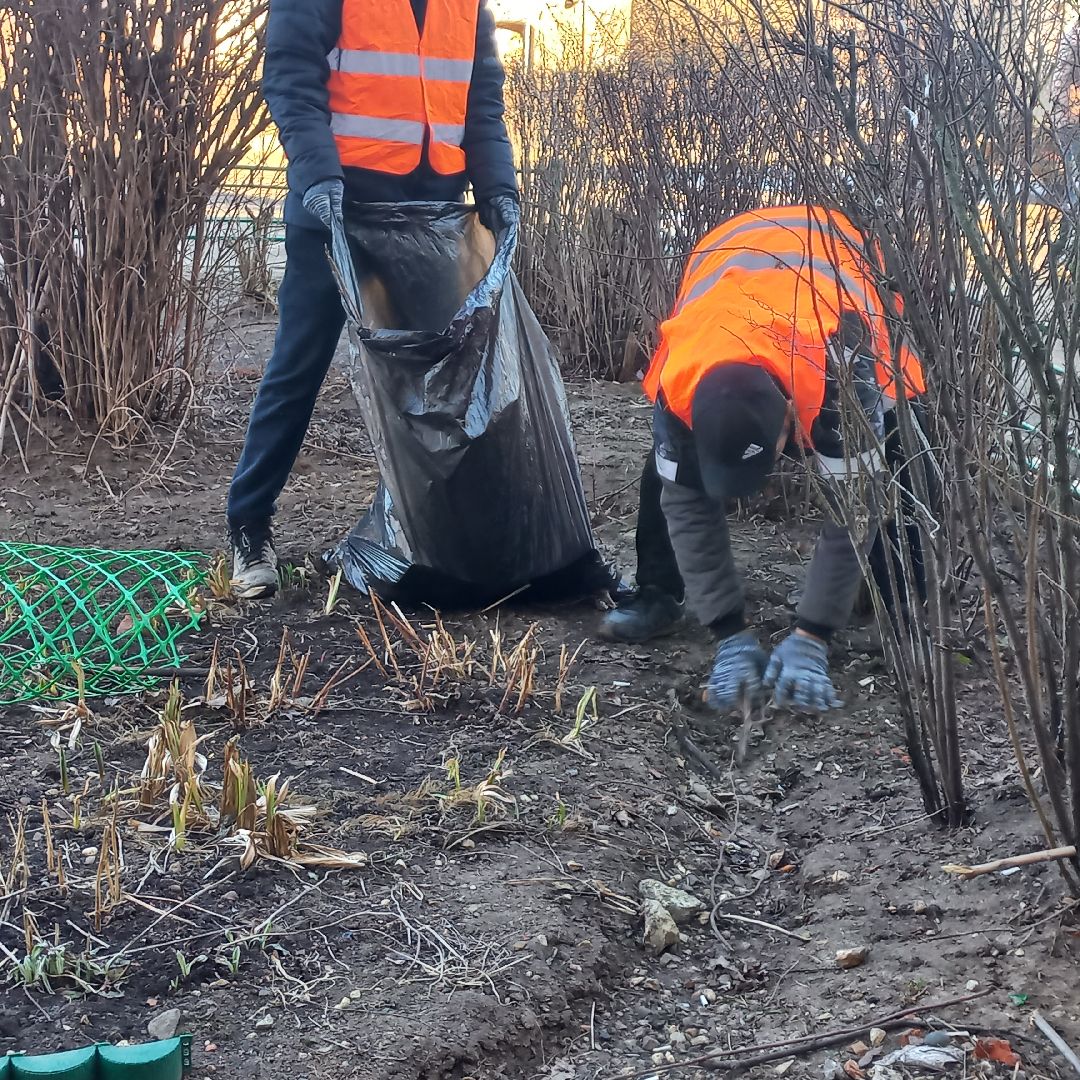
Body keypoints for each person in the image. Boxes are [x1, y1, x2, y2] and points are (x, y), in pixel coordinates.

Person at [227, 0, 520, 598]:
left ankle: (431, 533)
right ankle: (249, 525)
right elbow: (289, 74)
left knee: (440, 382)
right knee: (298, 366)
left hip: (430, 214)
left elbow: (480, 94)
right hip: (336, 207)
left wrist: (498, 182)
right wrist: (316, 177)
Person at [600, 205, 926, 712]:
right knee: (668, 472)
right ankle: (658, 592)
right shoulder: (678, 383)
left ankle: (898, 604)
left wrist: (811, 635)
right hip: (731, 260)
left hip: (835, 268)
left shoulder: (846, 371)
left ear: (792, 424)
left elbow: (854, 506)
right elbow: (685, 505)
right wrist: (729, 634)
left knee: (900, 460)